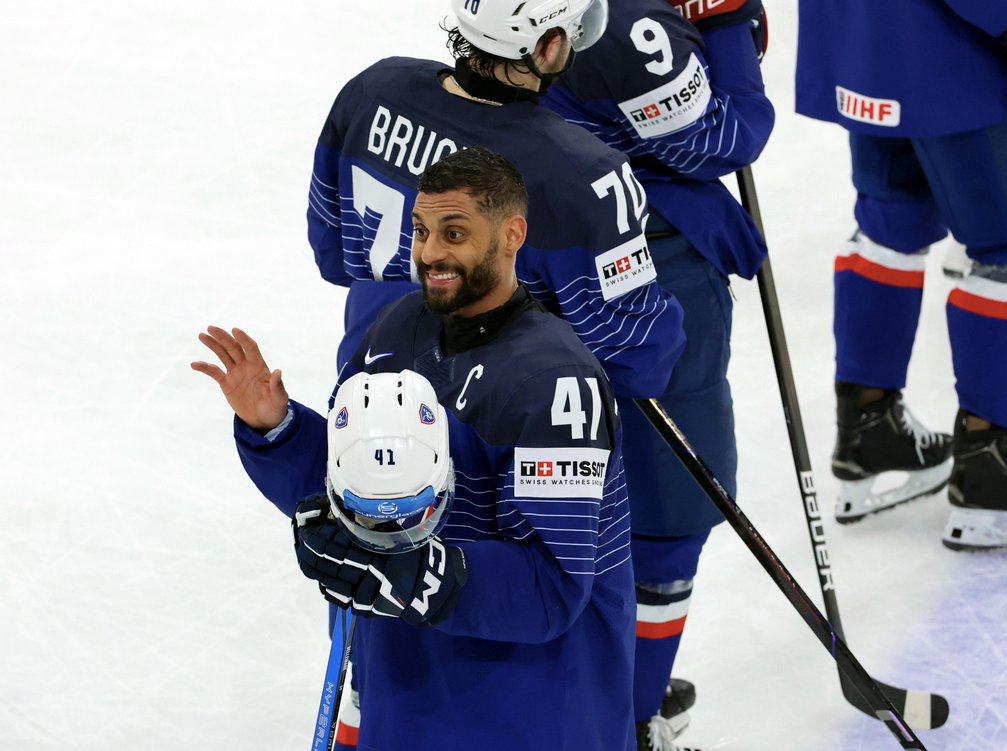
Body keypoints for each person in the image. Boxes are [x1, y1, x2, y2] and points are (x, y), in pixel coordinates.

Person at [305, 1, 694, 746]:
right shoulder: (581, 172)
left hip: (373, 398)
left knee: (376, 608)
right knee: (520, 628)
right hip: (510, 430)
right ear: (549, 46)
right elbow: (644, 352)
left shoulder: (369, 92)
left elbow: (333, 252)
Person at [194, 147, 637, 750]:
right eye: (423, 231)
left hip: (532, 712)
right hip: (410, 689)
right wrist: (279, 429)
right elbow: (356, 493)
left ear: (512, 236)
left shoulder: (557, 384)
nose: (430, 253)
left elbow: (553, 588)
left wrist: (416, 572)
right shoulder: (398, 331)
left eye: (454, 233)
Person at [538, 1, 772, 746]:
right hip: (641, 262)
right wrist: (729, 27)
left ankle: (579, 689)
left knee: (547, 490)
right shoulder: (626, 26)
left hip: (523, 253)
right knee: (671, 508)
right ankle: (627, 717)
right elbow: (733, 137)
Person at [797, 1, 1007, 547]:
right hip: (961, 47)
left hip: (866, 39)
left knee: (891, 222)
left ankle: (871, 429)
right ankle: (993, 471)